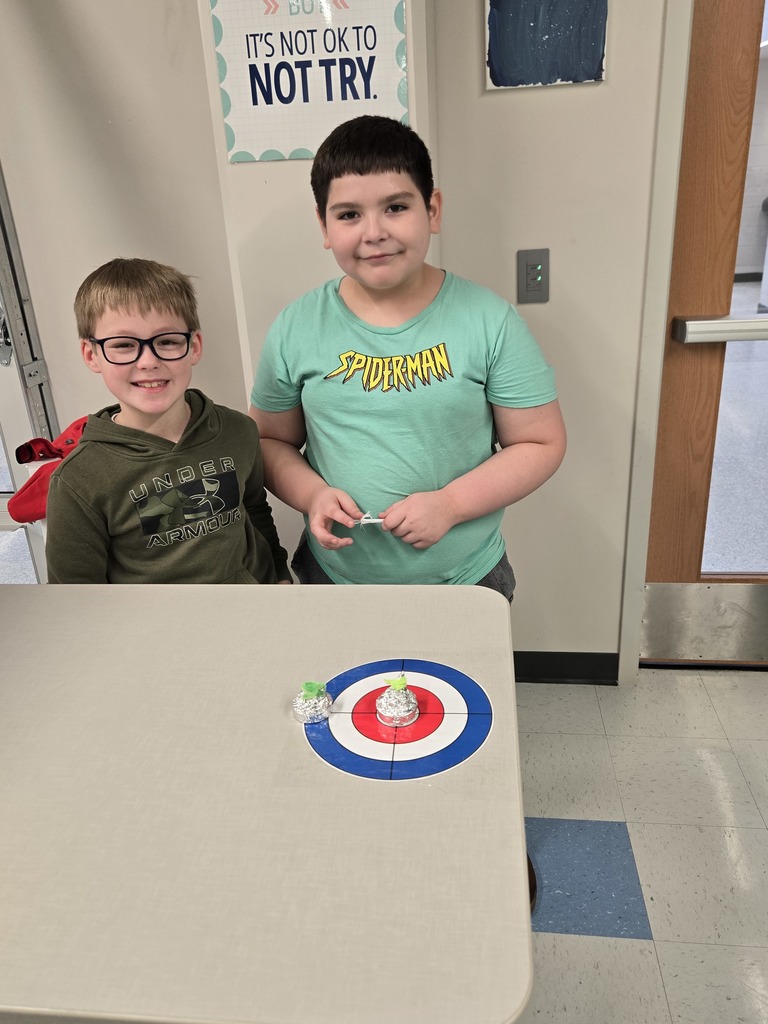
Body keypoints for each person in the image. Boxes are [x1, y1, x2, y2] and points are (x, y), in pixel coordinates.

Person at [249, 115, 566, 598]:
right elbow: (271, 443)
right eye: (349, 214)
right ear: (324, 226)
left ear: (432, 210)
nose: (373, 232)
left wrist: (451, 505)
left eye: (396, 207)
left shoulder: (489, 321)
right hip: (334, 580)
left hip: (466, 581)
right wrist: (311, 495)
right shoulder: (296, 327)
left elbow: (541, 443)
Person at [46, 257, 291, 585]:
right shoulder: (77, 482)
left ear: (194, 346)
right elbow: (76, 599)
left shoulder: (239, 430)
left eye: (167, 341)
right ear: (92, 354)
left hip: (253, 613)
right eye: (123, 345)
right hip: (156, 634)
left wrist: (279, 576)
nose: (148, 361)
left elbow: (255, 510)